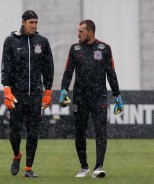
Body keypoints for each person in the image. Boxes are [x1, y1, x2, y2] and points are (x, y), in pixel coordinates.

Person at [59, 19, 124, 178]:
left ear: (90, 32)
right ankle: (84, 167)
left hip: (99, 97)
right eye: (78, 31)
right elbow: (68, 71)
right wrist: (63, 90)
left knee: (101, 132)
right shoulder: (75, 49)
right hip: (80, 98)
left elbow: (111, 73)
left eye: (81, 31)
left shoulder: (104, 49)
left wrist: (117, 95)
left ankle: (98, 168)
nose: (78, 34)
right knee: (79, 133)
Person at [1, 10, 54, 177]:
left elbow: (48, 67)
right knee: (14, 131)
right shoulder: (10, 41)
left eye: (36, 23)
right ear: (23, 22)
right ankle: (17, 154)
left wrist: (48, 90)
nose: (34, 26)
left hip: (35, 94)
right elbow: (6, 66)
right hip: (17, 94)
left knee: (33, 132)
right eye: (31, 22)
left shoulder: (42, 42)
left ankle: (28, 168)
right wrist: (6, 89)